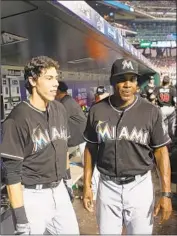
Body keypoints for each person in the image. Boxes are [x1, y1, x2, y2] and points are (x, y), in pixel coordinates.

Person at [83, 58, 172, 235]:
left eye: (132, 79)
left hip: (139, 186)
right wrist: (87, 185)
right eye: (121, 79)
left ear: (137, 83)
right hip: (107, 186)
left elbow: (161, 152)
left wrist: (166, 193)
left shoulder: (150, 111)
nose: (127, 84)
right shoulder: (97, 110)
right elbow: (90, 148)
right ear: (112, 82)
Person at [1, 56, 79, 234]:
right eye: (49, 78)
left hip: (59, 190)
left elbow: (63, 148)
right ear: (33, 80)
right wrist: (20, 218)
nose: (55, 84)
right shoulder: (17, 118)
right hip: (32, 196)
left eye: (56, 78)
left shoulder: (59, 109)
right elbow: (11, 174)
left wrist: (67, 182)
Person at [155, 75, 176, 140]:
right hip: (170, 109)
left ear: (162, 81)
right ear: (169, 82)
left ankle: (163, 140)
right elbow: (175, 100)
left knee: (163, 126)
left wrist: (157, 98)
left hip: (162, 109)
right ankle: (171, 140)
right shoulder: (172, 89)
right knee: (171, 126)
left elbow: (152, 97)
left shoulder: (158, 88)